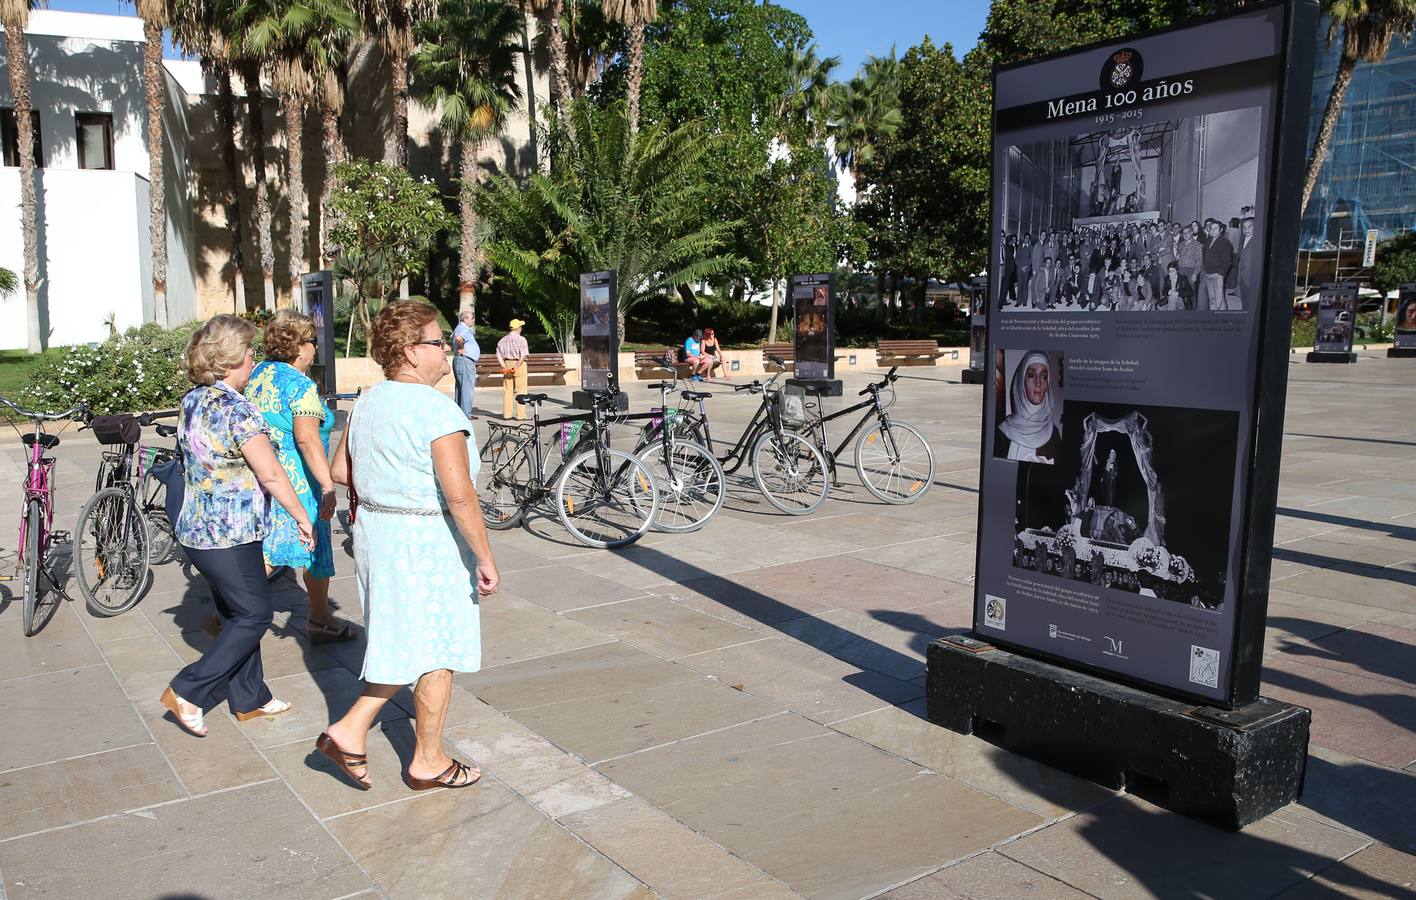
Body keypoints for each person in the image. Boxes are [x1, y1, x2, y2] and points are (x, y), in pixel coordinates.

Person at [316, 300, 500, 792]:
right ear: (411, 352)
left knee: (404, 641)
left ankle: (351, 730)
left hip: (379, 535)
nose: (448, 351)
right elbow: (460, 495)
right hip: (426, 540)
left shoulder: (370, 401)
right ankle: (428, 760)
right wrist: (485, 556)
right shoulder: (436, 410)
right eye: (440, 342)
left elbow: (339, 471)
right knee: (436, 645)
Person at [159, 315, 316, 738]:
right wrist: (303, 517)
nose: (253, 359)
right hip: (230, 533)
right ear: (232, 359)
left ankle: (251, 698)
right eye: (249, 353)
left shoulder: (194, 399)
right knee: (254, 613)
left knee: (235, 611)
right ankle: (187, 690)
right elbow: (271, 474)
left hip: (197, 529)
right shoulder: (236, 408)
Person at [245, 310, 353, 644]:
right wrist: (327, 485)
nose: (315, 348)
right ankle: (229, 615)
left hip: (261, 474)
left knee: (301, 548)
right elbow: (306, 440)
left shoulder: (260, 373)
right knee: (279, 550)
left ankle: (320, 619)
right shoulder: (300, 386)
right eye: (311, 341)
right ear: (299, 347)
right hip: (298, 479)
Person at [995, 351, 1060, 464]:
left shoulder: (1053, 434)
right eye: (1031, 375)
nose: (1038, 383)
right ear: (1022, 381)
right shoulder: (1003, 432)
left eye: (1044, 377)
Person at [495, 318, 529, 420]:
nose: (521, 328)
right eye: (520, 327)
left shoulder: (502, 340)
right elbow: (523, 355)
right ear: (517, 328)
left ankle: (507, 414)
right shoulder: (521, 339)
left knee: (507, 390)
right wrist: (517, 366)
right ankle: (521, 414)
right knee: (521, 390)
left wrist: (504, 366)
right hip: (519, 364)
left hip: (507, 363)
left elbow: (498, 355)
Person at [1201, 218, 1235, 310]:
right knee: (1212, 299)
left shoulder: (1225, 242)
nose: (1212, 230)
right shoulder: (1208, 241)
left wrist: (1220, 274)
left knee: (1219, 299)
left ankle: (1222, 319)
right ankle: (1214, 318)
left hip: (1217, 274)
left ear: (1221, 230)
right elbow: (1205, 256)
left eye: (1215, 228)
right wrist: (1205, 269)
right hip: (1208, 273)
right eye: (1211, 228)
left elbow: (1227, 261)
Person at [451, 310, 480, 419]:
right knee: (467, 388)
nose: (473, 320)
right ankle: (465, 414)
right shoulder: (463, 329)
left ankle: (460, 412)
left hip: (461, 360)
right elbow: (459, 339)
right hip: (464, 360)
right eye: (472, 318)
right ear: (466, 319)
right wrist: (462, 348)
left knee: (461, 388)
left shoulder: (459, 328)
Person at [1235, 217, 1260, 311]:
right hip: (1242, 278)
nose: (1246, 230)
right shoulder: (1242, 239)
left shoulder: (1257, 240)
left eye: (1250, 227)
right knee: (1244, 302)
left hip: (1252, 278)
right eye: (1244, 228)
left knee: (1253, 304)